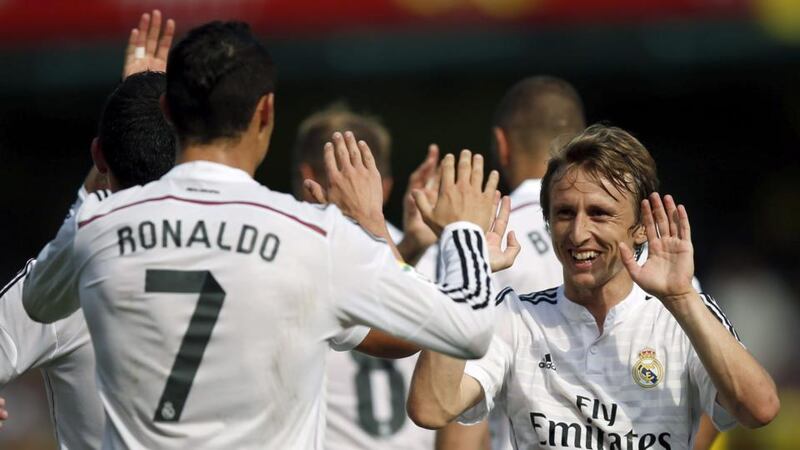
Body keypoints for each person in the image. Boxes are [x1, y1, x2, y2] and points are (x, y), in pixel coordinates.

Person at [22, 21, 507, 449]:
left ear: (168, 111)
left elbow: (38, 305)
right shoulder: (311, 236)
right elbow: (465, 327)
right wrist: (461, 232)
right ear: (266, 114)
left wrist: (119, 137)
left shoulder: (97, 224)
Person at [408, 124, 779, 449]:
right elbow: (431, 407)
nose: (578, 233)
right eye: (564, 213)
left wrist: (681, 298)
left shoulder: (680, 313)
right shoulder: (515, 317)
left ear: (639, 229)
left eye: (599, 214)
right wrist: (464, 270)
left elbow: (759, 409)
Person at [0, 12, 175, 448]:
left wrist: (127, 125)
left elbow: (81, 236)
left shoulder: (75, 263)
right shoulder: (262, 241)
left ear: (99, 154)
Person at [292, 104, 434, 449]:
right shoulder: (437, 258)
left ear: (306, 175)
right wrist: (411, 246)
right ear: (383, 186)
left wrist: (409, 246)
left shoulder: (287, 251)